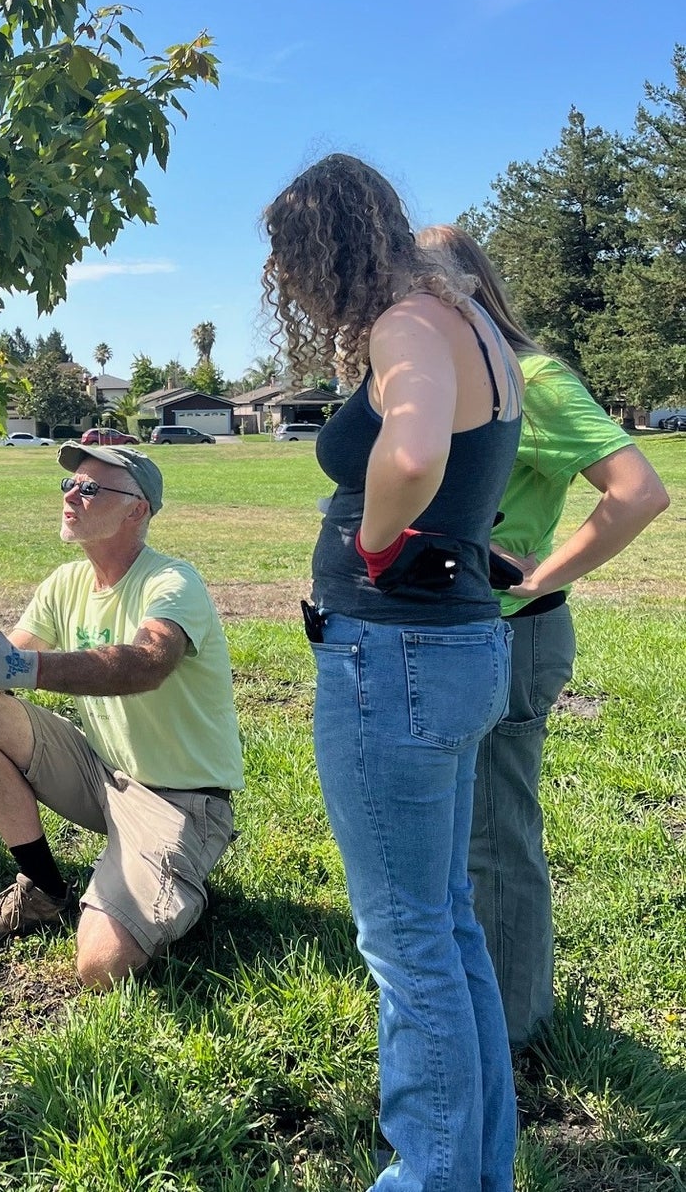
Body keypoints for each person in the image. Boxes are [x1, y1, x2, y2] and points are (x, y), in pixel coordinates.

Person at [264, 154, 524, 1192]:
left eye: (289, 261)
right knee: (444, 922)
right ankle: (473, 1167)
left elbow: (412, 454)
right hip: (454, 645)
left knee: (404, 939)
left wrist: (374, 539)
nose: (285, 283)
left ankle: (426, 1176)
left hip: (395, 656)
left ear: (323, 248)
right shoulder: (471, 324)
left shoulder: (405, 322)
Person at [419, 224, 670, 1049]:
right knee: (458, 837)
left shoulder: (533, 379)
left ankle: (517, 1032)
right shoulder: (451, 386)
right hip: (452, 636)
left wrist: (539, 574)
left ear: (467, 288)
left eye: (424, 290)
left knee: (495, 836)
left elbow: (637, 491)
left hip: (514, 637)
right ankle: (476, 1008)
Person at [0, 442, 243, 990]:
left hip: (180, 800)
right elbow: (4, 663)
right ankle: (43, 889)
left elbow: (145, 665)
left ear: (136, 510)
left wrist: (17, 666)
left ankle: (177, 878)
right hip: (102, 772)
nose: (71, 495)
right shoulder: (66, 583)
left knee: (100, 968)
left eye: (90, 488)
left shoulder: (172, 583)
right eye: (69, 485)